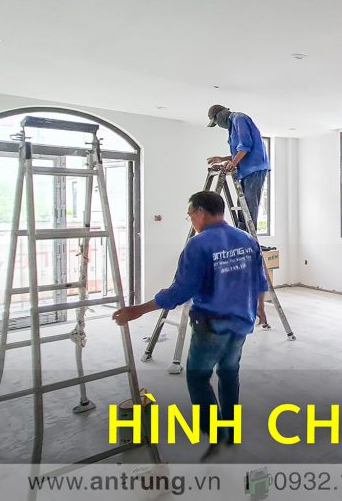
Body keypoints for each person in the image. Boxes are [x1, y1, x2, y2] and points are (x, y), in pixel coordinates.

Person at [113, 191, 268, 460]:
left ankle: (215, 433)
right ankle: (231, 430)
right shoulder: (246, 239)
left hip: (211, 325)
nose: (191, 221)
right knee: (229, 373)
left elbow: (181, 291)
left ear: (201, 212)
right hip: (241, 322)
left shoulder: (198, 245)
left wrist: (138, 310)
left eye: (190, 215)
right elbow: (260, 280)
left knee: (198, 377)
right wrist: (261, 309)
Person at [205, 104, 271, 233]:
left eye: (216, 121)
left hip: (254, 168)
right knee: (242, 203)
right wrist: (223, 159)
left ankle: (248, 235)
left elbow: (245, 146)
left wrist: (233, 163)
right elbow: (239, 152)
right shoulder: (233, 126)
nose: (218, 125)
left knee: (250, 202)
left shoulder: (239, 118)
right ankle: (242, 231)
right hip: (246, 170)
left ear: (220, 115)